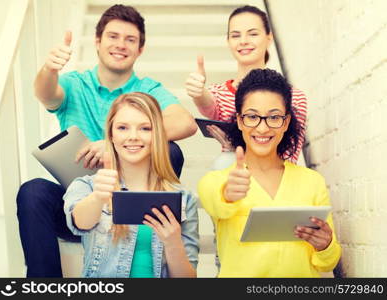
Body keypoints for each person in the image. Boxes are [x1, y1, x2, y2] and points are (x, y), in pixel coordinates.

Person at [17, 4, 197, 277]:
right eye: (113, 36)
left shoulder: (147, 90)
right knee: (33, 191)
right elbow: (46, 93)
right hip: (83, 206)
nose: (121, 45)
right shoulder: (75, 84)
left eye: (130, 39)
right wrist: (48, 69)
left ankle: (156, 223)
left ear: (140, 49)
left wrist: (111, 144)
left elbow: (185, 122)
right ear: (98, 42)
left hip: (136, 207)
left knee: (171, 151)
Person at [198, 69, 341, 277]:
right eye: (252, 116)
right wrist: (228, 194)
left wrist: (325, 245)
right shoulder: (216, 181)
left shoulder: (312, 181)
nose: (263, 128)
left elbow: (326, 264)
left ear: (286, 122)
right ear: (239, 121)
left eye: (274, 117)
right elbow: (217, 202)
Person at [64, 92, 199, 277]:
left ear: (157, 134)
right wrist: (97, 197)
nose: (133, 136)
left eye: (145, 128)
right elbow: (80, 222)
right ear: (110, 135)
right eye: (122, 128)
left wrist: (173, 242)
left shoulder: (184, 198)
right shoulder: (87, 186)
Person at [185, 5, 306, 168]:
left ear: (269, 38)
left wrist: (235, 148)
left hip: (278, 176)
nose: (243, 41)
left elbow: (289, 156)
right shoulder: (219, 94)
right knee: (225, 162)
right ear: (228, 41)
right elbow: (209, 104)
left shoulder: (294, 96)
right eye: (235, 35)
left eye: (253, 34)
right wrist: (199, 94)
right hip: (236, 173)